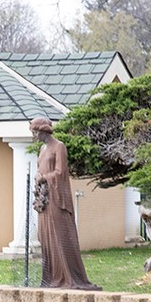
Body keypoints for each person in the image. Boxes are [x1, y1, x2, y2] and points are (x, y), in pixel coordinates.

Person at [30, 117, 101, 291]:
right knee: (46, 237)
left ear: (43, 130)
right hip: (44, 198)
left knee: (59, 236)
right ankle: (52, 277)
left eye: (34, 131)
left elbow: (60, 172)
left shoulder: (58, 147)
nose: (33, 135)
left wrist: (44, 177)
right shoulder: (42, 148)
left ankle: (67, 276)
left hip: (56, 198)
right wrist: (38, 177)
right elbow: (42, 169)